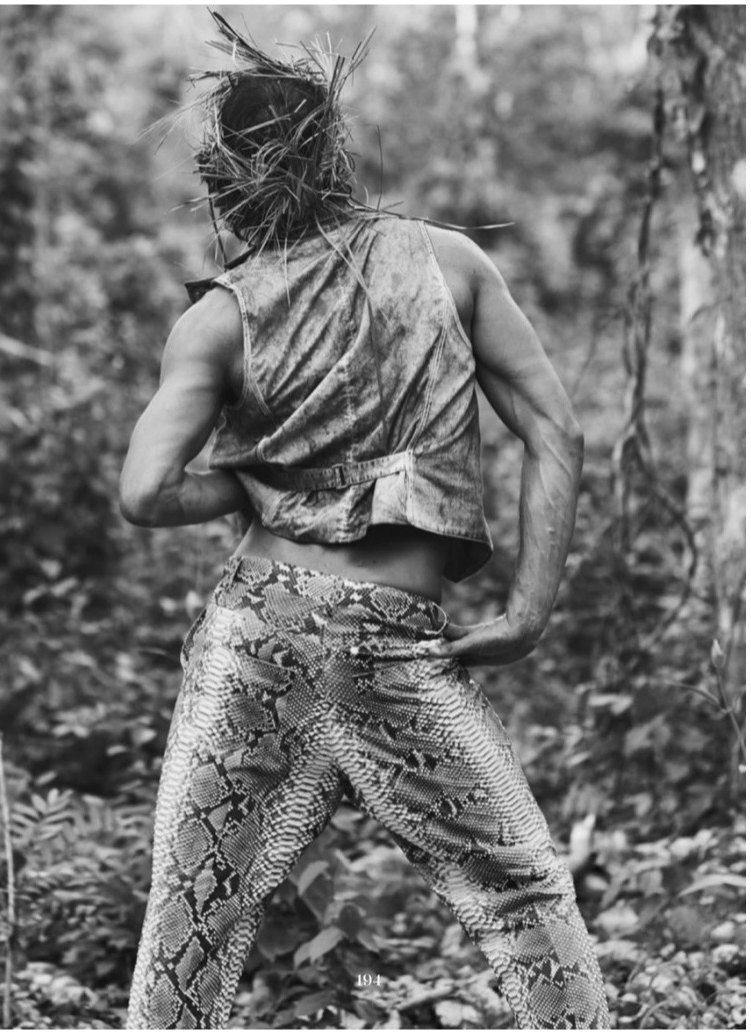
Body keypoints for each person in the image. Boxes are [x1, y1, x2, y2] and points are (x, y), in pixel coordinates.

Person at [119, 13, 610, 1031]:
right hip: (392, 634)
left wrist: (254, 484)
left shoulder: (218, 315)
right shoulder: (449, 264)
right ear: (331, 151)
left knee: (194, 911)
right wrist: (527, 609)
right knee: (519, 890)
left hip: (257, 629)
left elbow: (147, 492)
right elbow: (553, 431)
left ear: (228, 179)